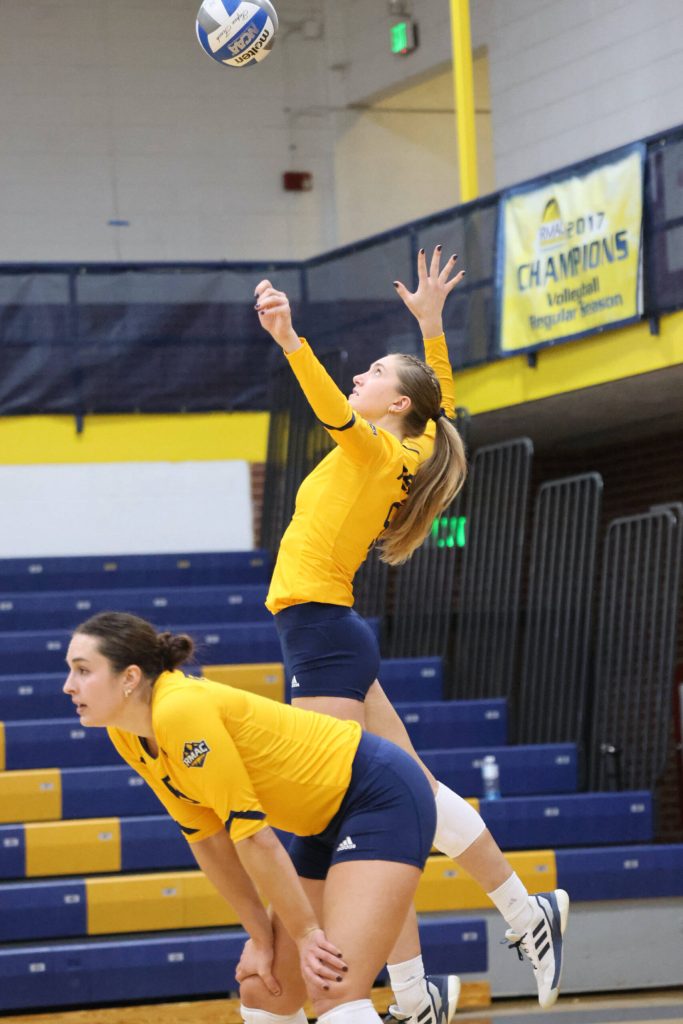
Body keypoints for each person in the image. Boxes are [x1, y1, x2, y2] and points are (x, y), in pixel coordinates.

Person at [255, 246, 569, 1015]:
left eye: (371, 374)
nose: (359, 377)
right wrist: (429, 328)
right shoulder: (417, 443)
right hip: (329, 634)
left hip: (323, 637)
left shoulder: (368, 446)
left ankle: (413, 982)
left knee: (346, 808)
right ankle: (520, 914)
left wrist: (290, 340)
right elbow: (444, 410)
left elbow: (334, 407)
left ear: (392, 405)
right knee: (405, 792)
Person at [64, 611, 439, 1024]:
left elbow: (253, 836)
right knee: (265, 993)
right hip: (322, 823)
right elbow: (206, 839)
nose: (69, 686)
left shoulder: (179, 710)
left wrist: (307, 934)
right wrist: (262, 938)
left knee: (333, 988)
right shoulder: (128, 733)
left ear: (130, 677)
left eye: (83, 671)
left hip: (378, 796)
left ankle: (417, 1000)